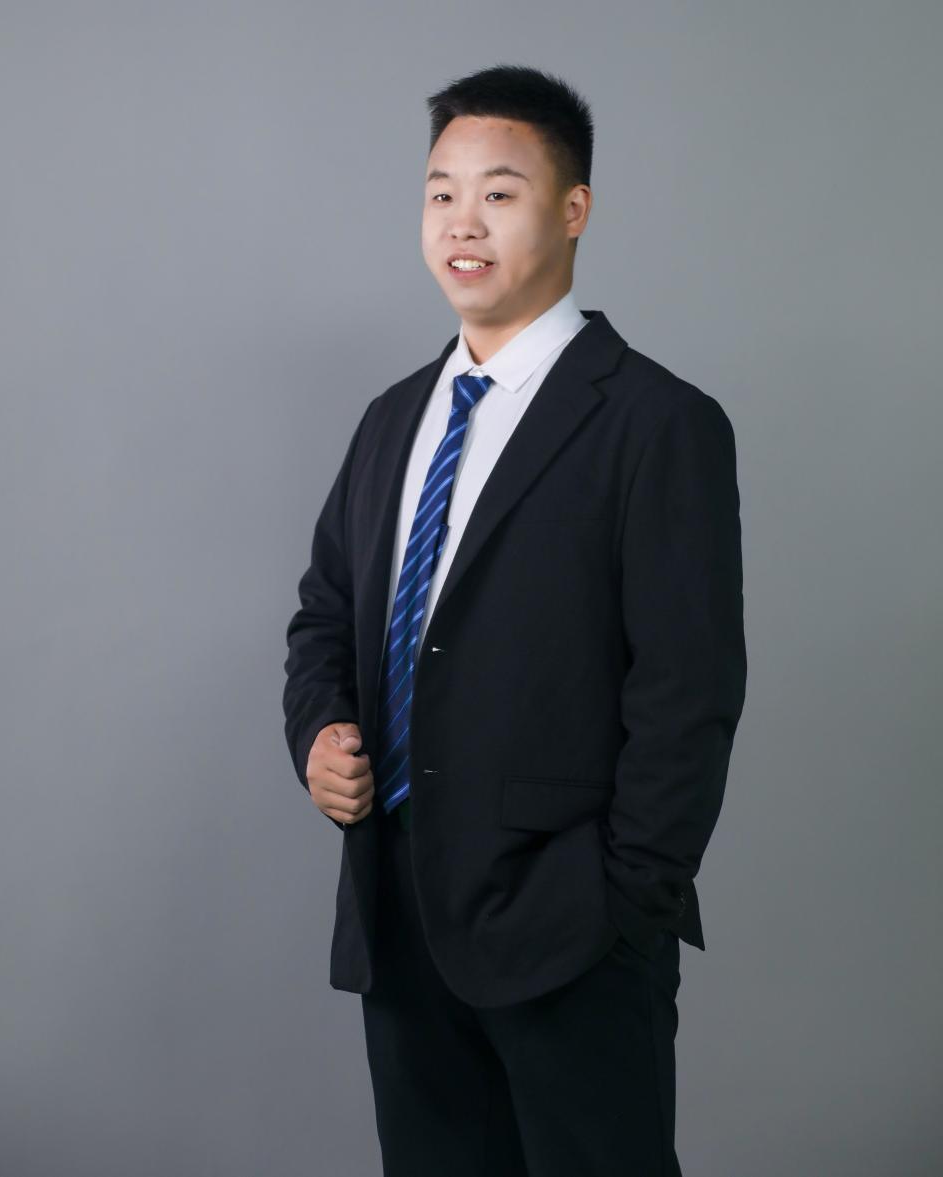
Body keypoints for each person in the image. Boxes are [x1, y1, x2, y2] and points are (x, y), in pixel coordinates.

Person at [282, 62, 747, 1177]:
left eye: (499, 192)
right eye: (441, 193)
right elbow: (324, 614)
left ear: (573, 209)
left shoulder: (657, 423)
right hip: (399, 917)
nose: (463, 222)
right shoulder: (393, 418)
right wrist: (319, 732)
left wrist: (624, 900)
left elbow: (687, 690)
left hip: (571, 926)